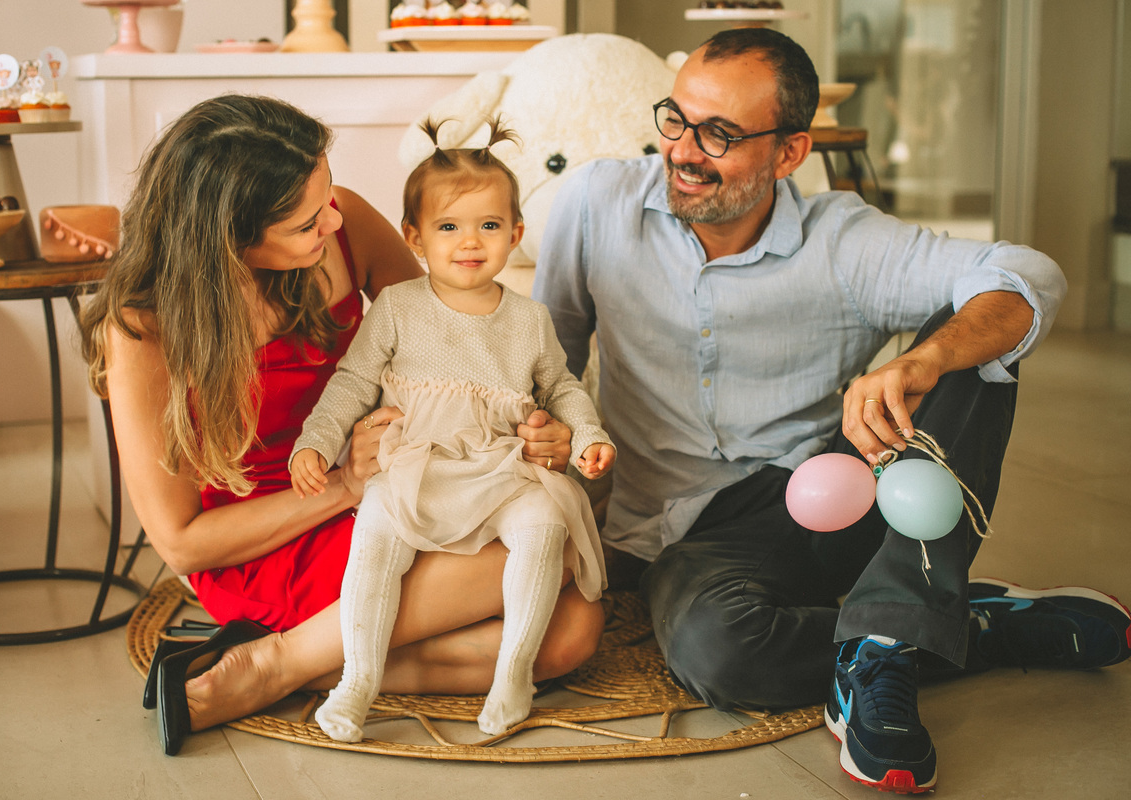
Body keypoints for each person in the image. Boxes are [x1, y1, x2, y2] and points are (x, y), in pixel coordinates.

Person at [532, 27, 1130, 795]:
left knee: (983, 344)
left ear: (789, 153)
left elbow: (1028, 275)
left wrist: (927, 357)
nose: (682, 150)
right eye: (676, 119)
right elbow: (548, 362)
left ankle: (888, 635)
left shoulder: (843, 242)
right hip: (681, 533)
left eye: (720, 134)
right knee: (720, 653)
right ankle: (957, 627)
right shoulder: (595, 203)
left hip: (824, 505)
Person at [79, 94, 605, 756]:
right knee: (551, 604)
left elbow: (451, 346)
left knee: (572, 622)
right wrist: (344, 486)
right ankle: (283, 661)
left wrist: (538, 422)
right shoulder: (144, 329)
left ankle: (296, 663)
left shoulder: (345, 222)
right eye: (305, 222)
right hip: (264, 530)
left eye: (327, 193)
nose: (334, 217)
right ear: (228, 240)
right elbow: (182, 544)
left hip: (393, 472)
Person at [289, 118, 616, 741]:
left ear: (515, 234)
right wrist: (317, 443)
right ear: (414, 237)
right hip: (415, 460)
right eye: (448, 227)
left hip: (501, 466)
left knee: (544, 526)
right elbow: (352, 384)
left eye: (489, 226)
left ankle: (513, 672)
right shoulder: (398, 307)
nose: (470, 242)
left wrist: (589, 434)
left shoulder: (528, 318)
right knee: (377, 536)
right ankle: (358, 678)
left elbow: (563, 386)